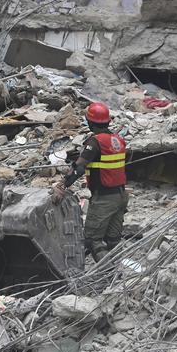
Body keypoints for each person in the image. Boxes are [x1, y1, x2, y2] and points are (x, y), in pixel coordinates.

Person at [52, 101, 128, 261]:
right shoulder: (118, 140)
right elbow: (105, 161)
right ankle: (118, 273)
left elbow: (79, 168)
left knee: (92, 240)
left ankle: (106, 272)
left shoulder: (95, 142)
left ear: (90, 122)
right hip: (121, 196)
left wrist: (62, 185)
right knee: (113, 240)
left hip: (104, 199)